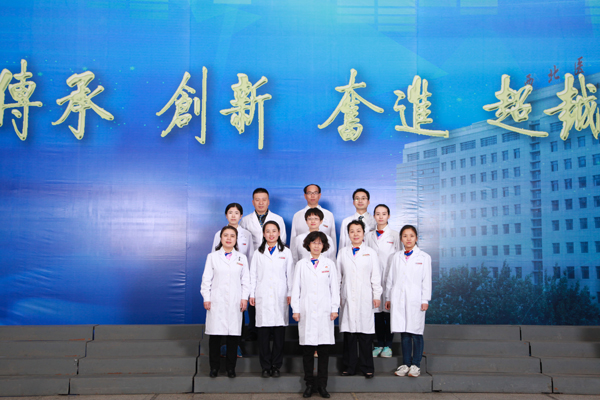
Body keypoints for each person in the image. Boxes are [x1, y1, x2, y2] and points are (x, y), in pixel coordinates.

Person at [291, 231, 339, 399]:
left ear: (324, 246)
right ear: (308, 245)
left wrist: (334, 308)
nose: (316, 245)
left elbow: (334, 288)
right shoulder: (301, 264)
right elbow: (295, 288)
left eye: (320, 243)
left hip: (325, 312)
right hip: (306, 311)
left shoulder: (329, 264)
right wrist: (295, 309)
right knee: (308, 352)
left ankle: (322, 386)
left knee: (324, 352)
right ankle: (309, 385)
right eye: (314, 242)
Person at [201, 226, 250, 378]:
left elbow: (246, 281)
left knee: (233, 337)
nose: (229, 238)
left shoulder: (241, 258)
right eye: (226, 235)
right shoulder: (212, 257)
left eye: (232, 236)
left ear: (236, 239)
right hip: (216, 301)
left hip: (235, 302)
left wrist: (244, 298)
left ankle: (231, 368)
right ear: (221, 238)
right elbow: (206, 280)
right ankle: (214, 368)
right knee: (215, 337)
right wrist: (207, 298)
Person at [385, 225, 432, 378]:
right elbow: (390, 279)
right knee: (404, 332)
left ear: (416, 238)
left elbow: (426, 280)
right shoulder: (396, 257)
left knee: (416, 332)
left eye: (411, 236)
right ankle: (406, 364)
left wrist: (425, 299)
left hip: (415, 300)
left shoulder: (424, 257)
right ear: (401, 239)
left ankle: (415, 365)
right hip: (399, 299)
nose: (408, 239)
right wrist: (388, 297)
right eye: (405, 236)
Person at [240, 188, 287, 341]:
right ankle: (254, 330)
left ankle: (273, 330)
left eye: (264, 199)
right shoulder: (246, 220)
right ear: (253, 202)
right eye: (257, 200)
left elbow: (282, 241)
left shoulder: (278, 219)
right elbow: (243, 243)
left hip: (273, 262)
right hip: (252, 263)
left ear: (268, 201)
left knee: (273, 297)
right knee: (254, 296)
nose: (261, 203)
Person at [337, 220, 382, 378]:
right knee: (349, 334)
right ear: (348, 234)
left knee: (365, 335)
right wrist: (338, 296)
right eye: (352, 231)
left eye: (358, 231)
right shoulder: (342, 252)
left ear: (363, 233)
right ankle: (349, 367)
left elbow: (375, 276)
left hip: (365, 297)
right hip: (348, 296)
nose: (355, 234)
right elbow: (338, 277)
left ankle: (367, 367)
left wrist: (376, 295)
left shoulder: (370, 252)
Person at [249, 221, 293, 378]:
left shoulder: (286, 252)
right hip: (262, 296)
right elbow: (253, 275)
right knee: (263, 336)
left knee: (279, 335)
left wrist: (290, 293)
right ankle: (265, 366)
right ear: (263, 234)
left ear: (279, 233)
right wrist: (252, 294)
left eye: (274, 231)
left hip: (281, 296)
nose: (271, 234)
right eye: (268, 231)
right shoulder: (258, 253)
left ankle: (276, 366)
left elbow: (290, 275)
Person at [365, 204, 400, 358]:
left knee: (388, 313)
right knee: (377, 314)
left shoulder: (395, 235)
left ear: (389, 216)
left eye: (384, 214)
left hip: (390, 278)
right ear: (374, 216)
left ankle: (388, 346)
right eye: (378, 214)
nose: (380, 217)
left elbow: (399, 258)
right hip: (373, 279)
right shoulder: (368, 236)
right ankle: (379, 344)